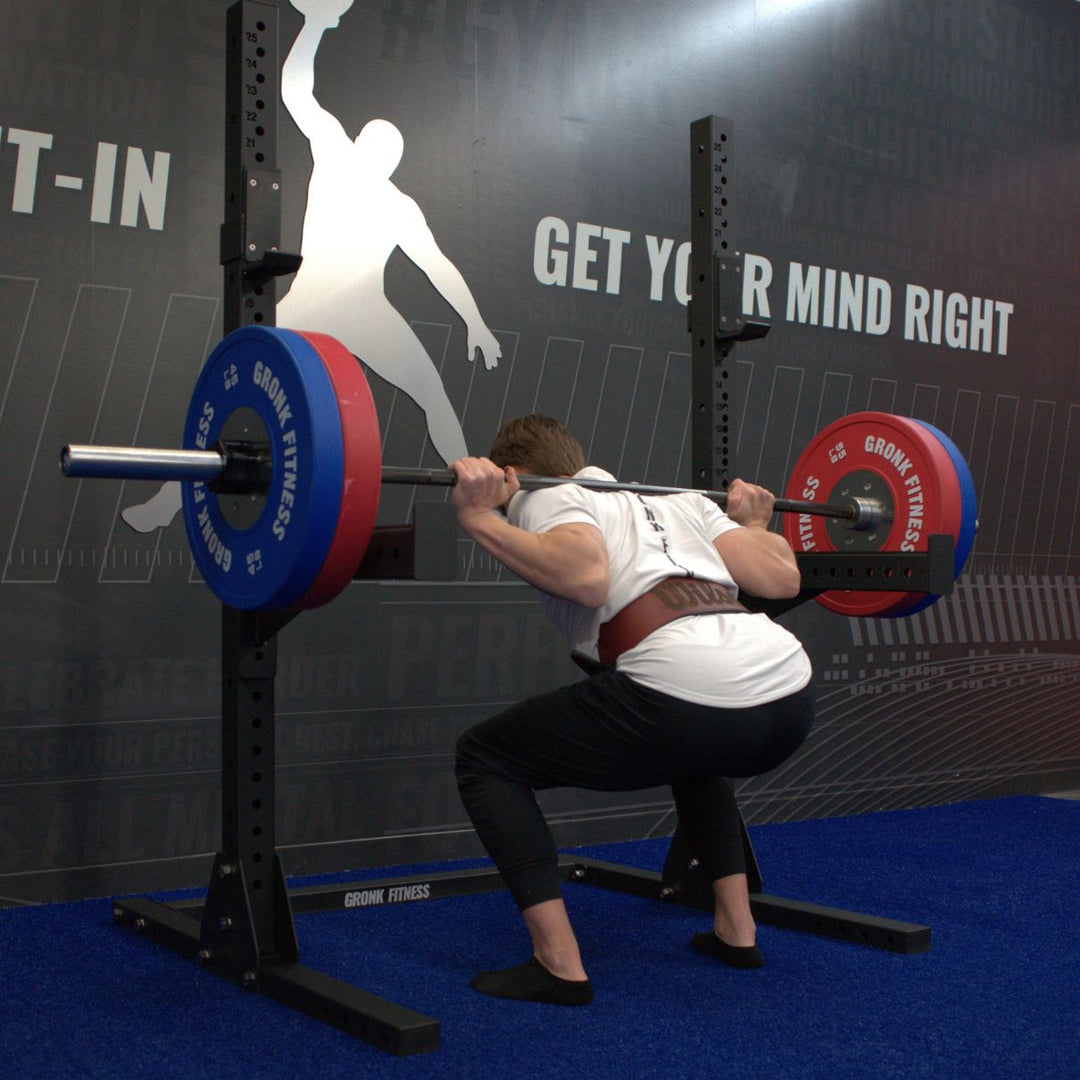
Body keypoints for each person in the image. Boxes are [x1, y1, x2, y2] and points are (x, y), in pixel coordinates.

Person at [450, 415, 815, 1006]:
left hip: (685, 691)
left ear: (513, 474)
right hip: (790, 696)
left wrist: (479, 515)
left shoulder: (550, 494)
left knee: (485, 758)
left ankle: (559, 964)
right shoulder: (680, 503)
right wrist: (753, 523)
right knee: (698, 747)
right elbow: (780, 576)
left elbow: (587, 578)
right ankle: (737, 930)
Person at [122, 0, 500, 534]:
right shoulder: (338, 155)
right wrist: (315, 26)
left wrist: (475, 322)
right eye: (371, 142)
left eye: (384, 150)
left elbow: (439, 268)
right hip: (312, 301)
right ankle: (167, 505)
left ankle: (479, 507)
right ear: (362, 144)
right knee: (236, 399)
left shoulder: (398, 205)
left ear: (391, 161)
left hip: (368, 312)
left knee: (434, 397)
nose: (375, 152)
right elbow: (295, 93)